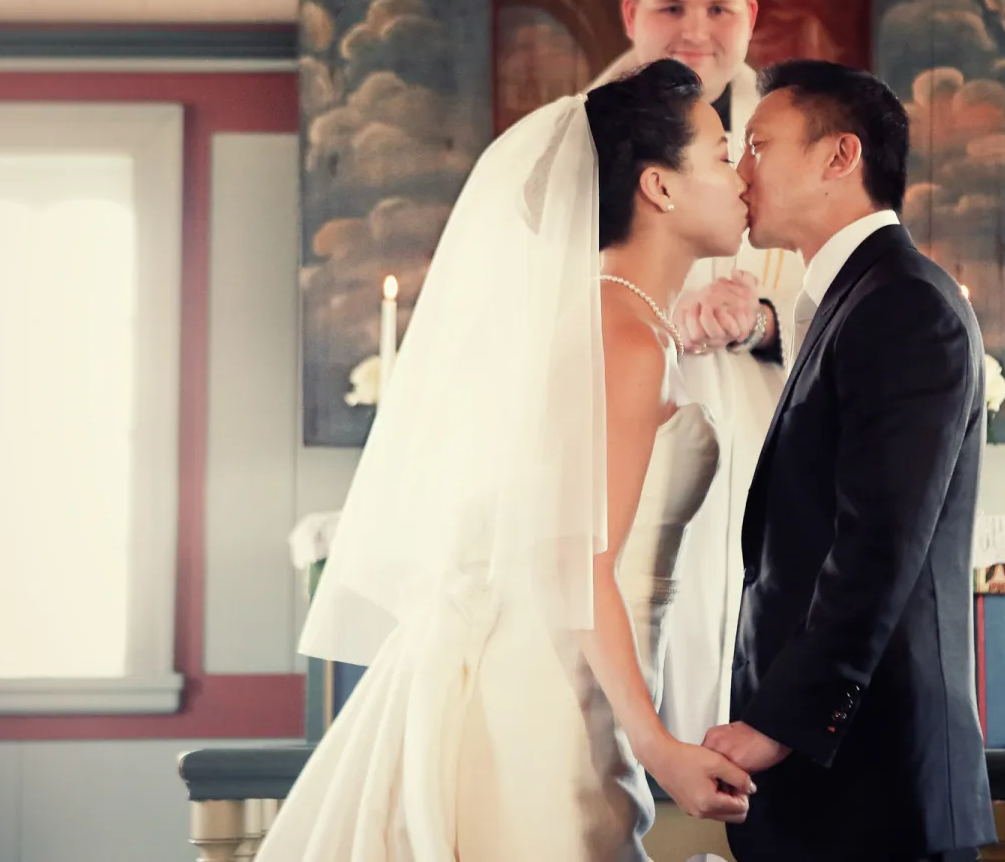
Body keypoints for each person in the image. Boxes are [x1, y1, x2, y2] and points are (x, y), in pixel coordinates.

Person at [255, 59, 759, 862]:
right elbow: (579, 561)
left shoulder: (629, 322)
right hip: (547, 693)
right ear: (659, 187)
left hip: (576, 676)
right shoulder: (620, 336)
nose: (743, 176)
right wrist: (659, 745)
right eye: (724, 154)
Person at [702, 60, 998, 862]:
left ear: (840, 157)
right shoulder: (848, 300)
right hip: (837, 788)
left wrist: (779, 722)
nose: (740, 170)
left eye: (759, 145)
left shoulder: (904, 305)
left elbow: (877, 547)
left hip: (875, 785)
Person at [588, 0, 806, 747]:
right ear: (631, 13)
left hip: (758, 441)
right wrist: (635, 308)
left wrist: (760, 317)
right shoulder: (574, 144)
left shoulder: (798, 135)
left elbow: (841, 302)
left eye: (720, 8)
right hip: (619, 426)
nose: (696, 32)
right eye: (673, 7)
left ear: (751, 15)